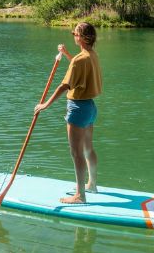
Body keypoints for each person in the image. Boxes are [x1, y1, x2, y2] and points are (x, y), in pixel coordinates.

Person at [34, 22, 103, 204]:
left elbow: (65, 85)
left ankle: (80, 195)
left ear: (81, 37)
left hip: (77, 108)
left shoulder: (79, 59)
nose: (73, 36)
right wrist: (67, 55)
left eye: (75, 33)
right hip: (90, 108)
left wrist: (45, 105)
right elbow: (79, 67)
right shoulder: (91, 56)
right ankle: (92, 184)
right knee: (88, 148)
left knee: (76, 153)